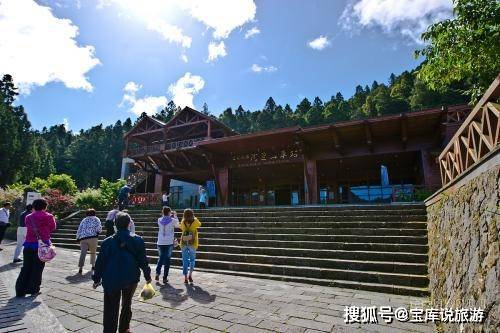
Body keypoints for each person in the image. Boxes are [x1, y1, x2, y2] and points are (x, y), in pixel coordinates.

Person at [92, 212, 151, 333]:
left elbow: (100, 262)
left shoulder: (107, 241)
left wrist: (96, 279)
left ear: (115, 224)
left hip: (111, 278)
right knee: (126, 304)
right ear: (129, 224)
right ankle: (124, 328)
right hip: (130, 278)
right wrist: (147, 275)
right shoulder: (138, 240)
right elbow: (143, 260)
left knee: (110, 307)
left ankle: (109, 330)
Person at [15, 198, 56, 297]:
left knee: (26, 267)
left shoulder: (28, 217)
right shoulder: (49, 216)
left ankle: (20, 290)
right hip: (42, 246)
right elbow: (53, 228)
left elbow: (27, 227)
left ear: (34, 206)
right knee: (38, 268)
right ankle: (33, 289)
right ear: (45, 206)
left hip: (28, 245)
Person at [155, 206, 179, 283]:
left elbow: (164, 218)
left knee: (161, 258)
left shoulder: (159, 220)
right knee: (167, 260)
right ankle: (165, 278)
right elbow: (178, 225)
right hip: (169, 242)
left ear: (162, 212)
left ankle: (157, 272)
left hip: (160, 241)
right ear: (169, 212)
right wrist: (175, 215)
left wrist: (168, 214)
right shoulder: (172, 220)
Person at [76, 209, 102, 275]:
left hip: (83, 238)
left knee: (83, 253)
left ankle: (80, 268)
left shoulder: (84, 220)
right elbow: (99, 228)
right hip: (93, 238)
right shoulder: (96, 219)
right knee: (93, 252)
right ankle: (93, 266)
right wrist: (98, 232)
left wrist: (77, 238)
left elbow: (80, 229)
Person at [179, 208, 201, 284]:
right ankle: (190, 275)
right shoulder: (195, 221)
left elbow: (181, 227)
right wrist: (194, 217)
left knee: (184, 260)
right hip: (193, 243)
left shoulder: (183, 221)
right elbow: (199, 224)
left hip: (184, 242)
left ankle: (185, 277)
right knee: (192, 260)